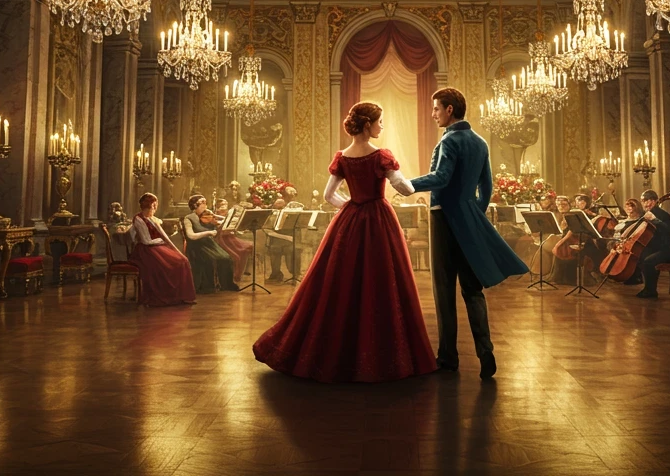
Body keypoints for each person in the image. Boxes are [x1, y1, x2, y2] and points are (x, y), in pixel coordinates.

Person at [253, 102, 436, 382]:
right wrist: (423, 182)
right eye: (380, 122)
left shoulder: (343, 158)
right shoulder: (381, 156)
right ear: (367, 125)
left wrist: (351, 207)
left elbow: (329, 196)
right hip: (379, 220)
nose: (382, 126)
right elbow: (406, 188)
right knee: (381, 279)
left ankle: (338, 351)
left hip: (350, 220)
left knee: (340, 280)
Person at [409, 88, 529, 379]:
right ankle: (485, 352)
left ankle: (448, 358)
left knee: (444, 291)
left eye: (436, 108)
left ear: (449, 109)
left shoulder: (449, 141)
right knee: (473, 290)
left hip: (443, 219)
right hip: (469, 218)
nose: (433, 114)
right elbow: (486, 186)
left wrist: (407, 184)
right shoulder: (479, 142)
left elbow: (441, 178)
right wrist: (473, 213)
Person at [128, 193, 196, 307]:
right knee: (164, 266)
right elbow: (146, 240)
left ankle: (182, 296)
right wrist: (161, 240)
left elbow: (165, 237)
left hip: (157, 247)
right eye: (153, 205)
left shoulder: (153, 219)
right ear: (148, 205)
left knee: (182, 261)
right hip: (146, 250)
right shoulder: (139, 219)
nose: (155, 207)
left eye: (156, 205)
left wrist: (175, 249)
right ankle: (166, 296)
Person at [182, 195, 240, 294]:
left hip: (209, 244)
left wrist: (215, 216)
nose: (205, 205)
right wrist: (208, 233)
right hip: (197, 246)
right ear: (195, 205)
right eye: (203, 203)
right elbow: (191, 236)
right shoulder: (188, 218)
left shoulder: (207, 216)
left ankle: (226, 284)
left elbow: (223, 221)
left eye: (205, 203)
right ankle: (209, 286)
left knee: (227, 258)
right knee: (217, 259)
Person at [634, 189, 670, 299]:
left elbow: (669, 230)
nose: (643, 204)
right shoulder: (646, 215)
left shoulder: (663, 215)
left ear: (652, 201)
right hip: (653, 249)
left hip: (665, 251)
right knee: (639, 256)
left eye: (644, 201)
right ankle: (646, 287)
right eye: (642, 201)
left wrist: (655, 220)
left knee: (648, 261)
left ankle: (651, 290)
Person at [214, 198, 253, 283]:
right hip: (222, 238)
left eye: (226, 203)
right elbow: (218, 227)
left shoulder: (229, 213)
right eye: (222, 204)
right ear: (218, 205)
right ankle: (233, 275)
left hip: (230, 237)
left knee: (247, 248)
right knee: (236, 255)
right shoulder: (215, 214)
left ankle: (239, 273)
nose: (225, 205)